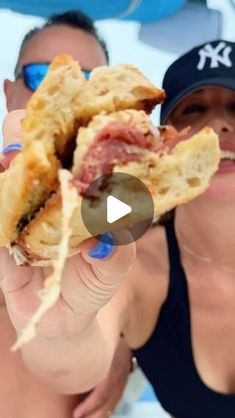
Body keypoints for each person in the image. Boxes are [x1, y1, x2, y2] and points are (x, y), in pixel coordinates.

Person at [4, 36, 235, 417]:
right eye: (193, 109)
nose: (219, 125)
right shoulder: (133, 261)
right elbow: (74, 362)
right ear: (163, 141)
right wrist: (57, 329)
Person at [1, 10, 136, 418]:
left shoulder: (118, 207)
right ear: (10, 93)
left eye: (87, 81)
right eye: (42, 75)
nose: (63, 92)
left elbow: (81, 361)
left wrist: (71, 329)